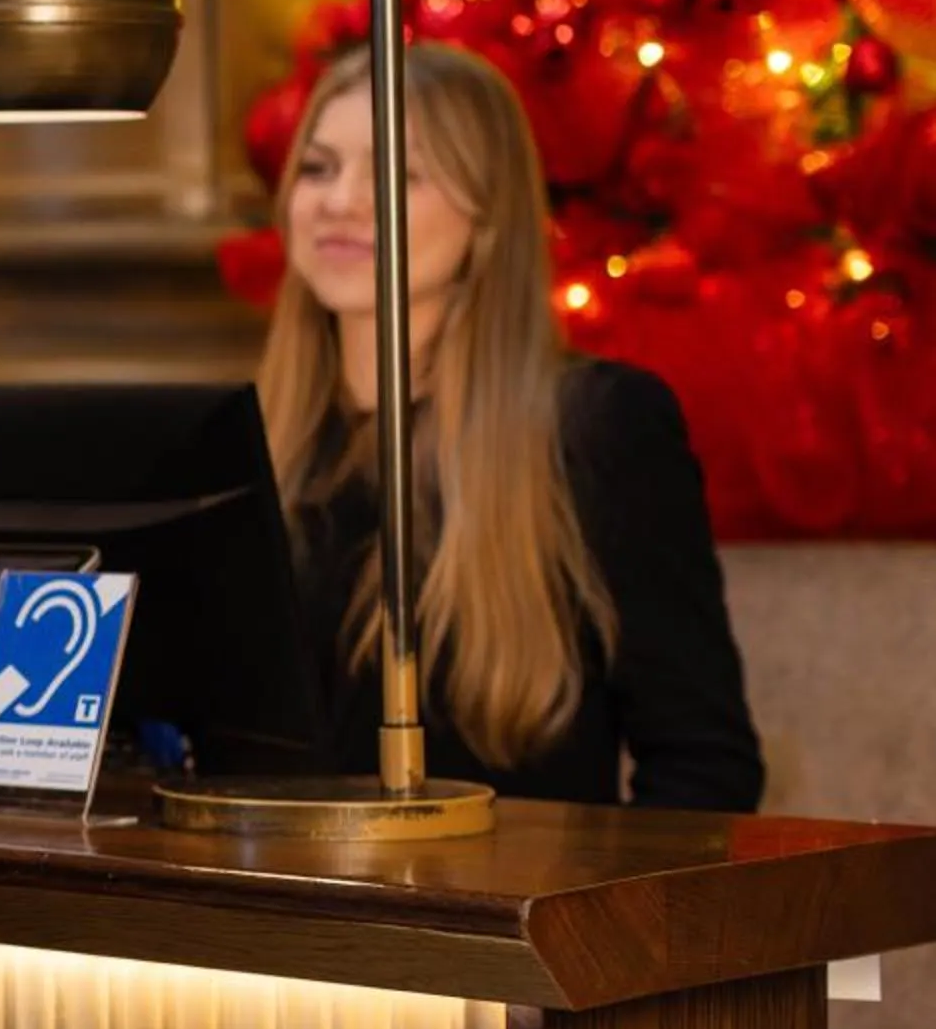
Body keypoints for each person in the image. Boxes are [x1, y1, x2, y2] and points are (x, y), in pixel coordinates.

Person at [258, 43, 763, 810]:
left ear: (487, 216)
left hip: (511, 921)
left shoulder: (596, 426)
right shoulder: (252, 443)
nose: (342, 201)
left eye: (398, 174)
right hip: (272, 923)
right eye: (319, 168)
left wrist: (589, 925)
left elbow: (704, 770)